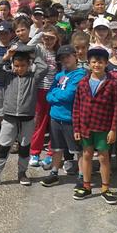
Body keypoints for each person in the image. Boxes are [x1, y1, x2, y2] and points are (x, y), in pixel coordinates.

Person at [0, 44, 48, 186]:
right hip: (9, 118)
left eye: (22, 65)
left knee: (24, 147)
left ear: (29, 65)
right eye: (16, 65)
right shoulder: (7, 76)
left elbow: (44, 68)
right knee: (3, 146)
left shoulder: (34, 78)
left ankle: (22, 173)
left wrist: (33, 56)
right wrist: (6, 56)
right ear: (12, 65)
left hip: (27, 118)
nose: (19, 68)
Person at [72, 47, 117, 204]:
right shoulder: (82, 83)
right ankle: (86, 186)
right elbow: (76, 107)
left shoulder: (112, 83)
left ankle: (105, 188)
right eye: (93, 62)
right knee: (86, 155)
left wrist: (113, 129)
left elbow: (116, 108)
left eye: (100, 62)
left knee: (103, 157)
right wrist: (76, 128)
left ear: (106, 63)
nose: (97, 65)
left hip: (103, 126)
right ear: (89, 63)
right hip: (85, 126)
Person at [38, 45, 87, 186]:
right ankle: (54, 172)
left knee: (78, 149)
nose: (65, 60)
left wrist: (54, 96)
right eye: (62, 58)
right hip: (55, 116)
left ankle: (82, 176)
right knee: (56, 147)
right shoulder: (59, 75)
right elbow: (48, 95)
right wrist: (54, 96)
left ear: (75, 56)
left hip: (70, 118)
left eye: (68, 56)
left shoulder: (80, 74)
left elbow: (69, 95)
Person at [29, 25, 60, 168]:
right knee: (39, 122)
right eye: (45, 38)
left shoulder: (58, 52)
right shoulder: (39, 49)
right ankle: (34, 152)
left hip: (55, 90)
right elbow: (28, 46)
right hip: (40, 89)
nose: (48, 40)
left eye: (51, 38)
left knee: (54, 123)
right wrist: (41, 33)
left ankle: (50, 153)